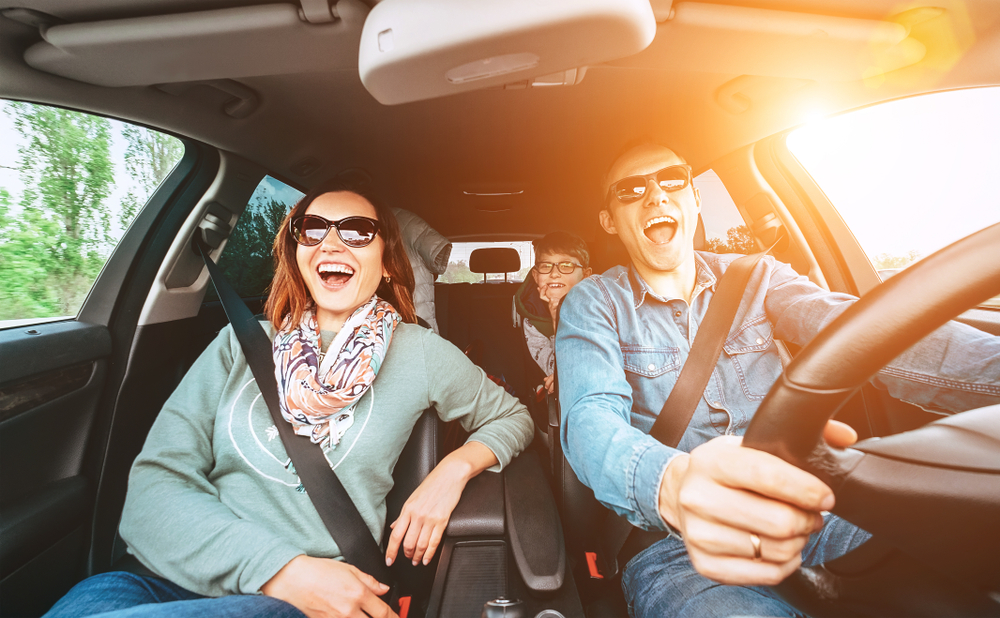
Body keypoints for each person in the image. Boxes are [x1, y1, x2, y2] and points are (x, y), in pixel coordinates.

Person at [44, 179, 534, 618]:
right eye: (313, 228)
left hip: (303, 601)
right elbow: (153, 492)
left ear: (386, 262)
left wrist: (452, 471)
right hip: (153, 582)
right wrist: (278, 567)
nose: (333, 242)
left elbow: (512, 416)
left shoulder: (421, 352)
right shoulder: (239, 344)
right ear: (297, 253)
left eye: (358, 231)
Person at [555, 143, 1000, 617]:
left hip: (817, 512)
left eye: (672, 180)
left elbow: (864, 334)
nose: (656, 197)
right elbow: (589, 419)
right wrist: (675, 484)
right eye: (632, 189)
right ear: (609, 221)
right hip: (680, 549)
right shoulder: (594, 302)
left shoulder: (758, 277)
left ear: (695, 198)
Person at [515, 231, 592, 396]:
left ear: (585, 276)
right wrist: (557, 315)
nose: (554, 273)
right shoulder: (533, 318)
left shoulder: (600, 308)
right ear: (536, 276)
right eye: (545, 266)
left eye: (566, 266)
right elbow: (555, 370)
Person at [391, 207, 452, 334]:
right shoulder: (407, 222)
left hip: (416, 316)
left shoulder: (407, 222)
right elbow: (437, 264)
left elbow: (438, 262)